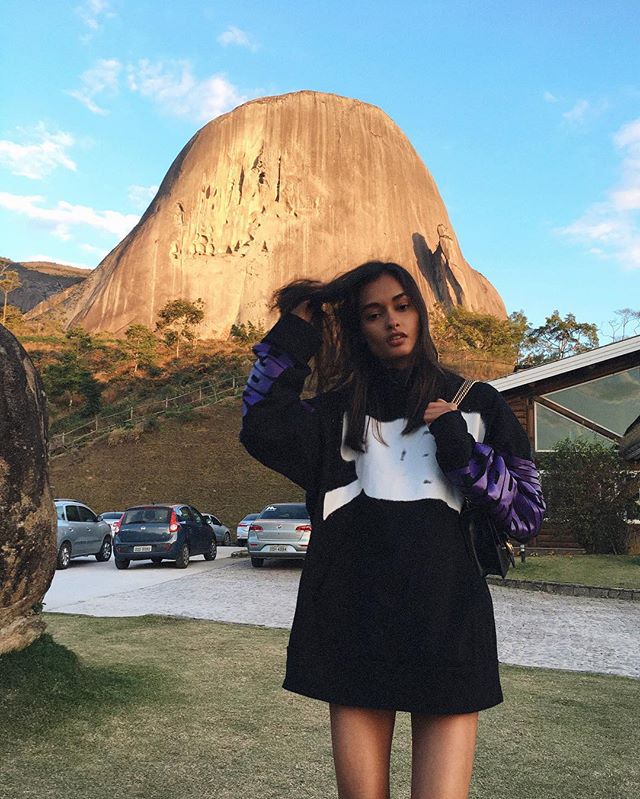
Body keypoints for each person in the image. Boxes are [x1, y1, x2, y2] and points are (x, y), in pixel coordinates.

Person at [240, 261, 545, 799]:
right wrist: (295, 336)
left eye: (402, 306)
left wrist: (463, 450)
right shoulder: (333, 414)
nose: (392, 321)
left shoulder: (477, 403)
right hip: (350, 625)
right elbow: (260, 425)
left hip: (449, 625)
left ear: (420, 314)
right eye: (373, 313)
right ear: (358, 328)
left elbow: (527, 514)